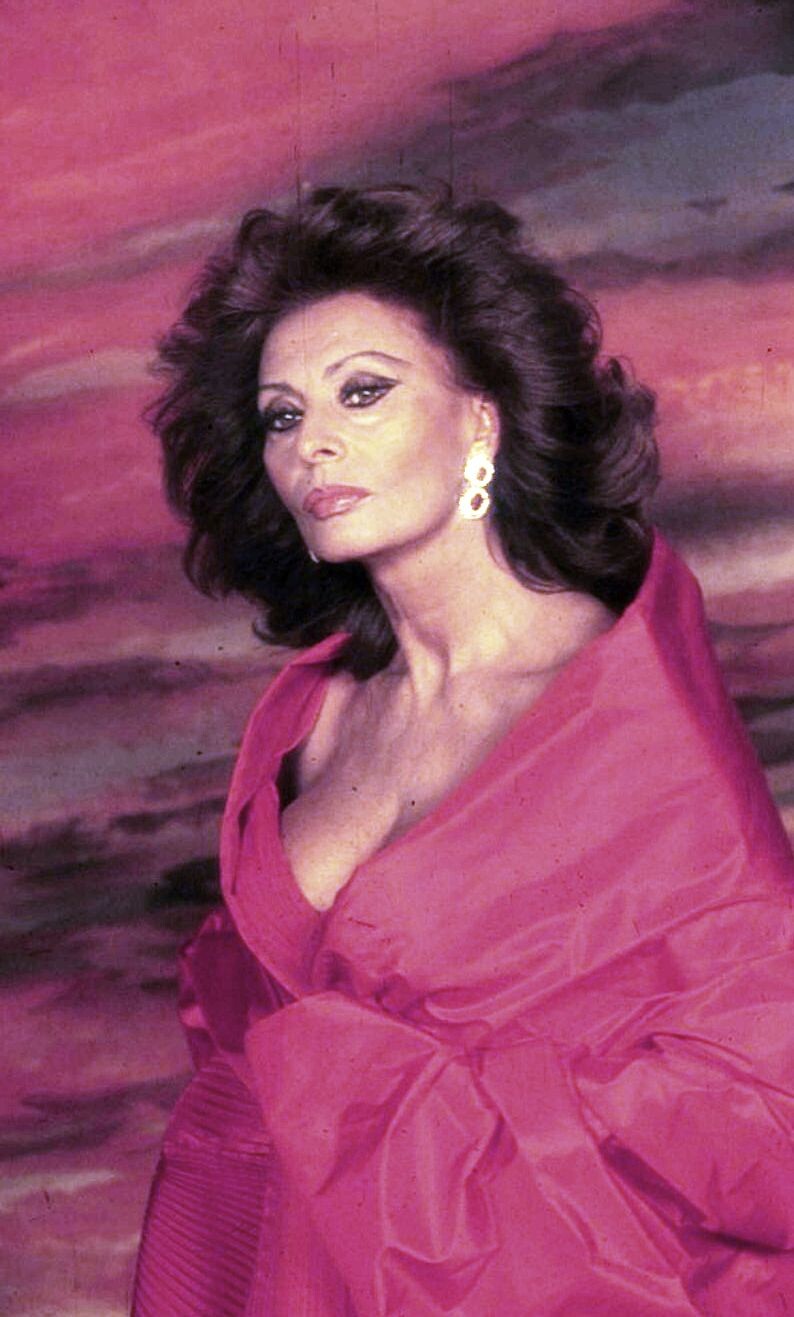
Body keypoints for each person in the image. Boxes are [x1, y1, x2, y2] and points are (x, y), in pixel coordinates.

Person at [133, 184, 794, 1315]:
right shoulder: (312, 711)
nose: (313, 444)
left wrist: (411, 1114)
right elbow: (248, 1064)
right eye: (282, 415)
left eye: (364, 392)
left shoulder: (630, 722)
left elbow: (762, 1108)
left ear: (481, 421)